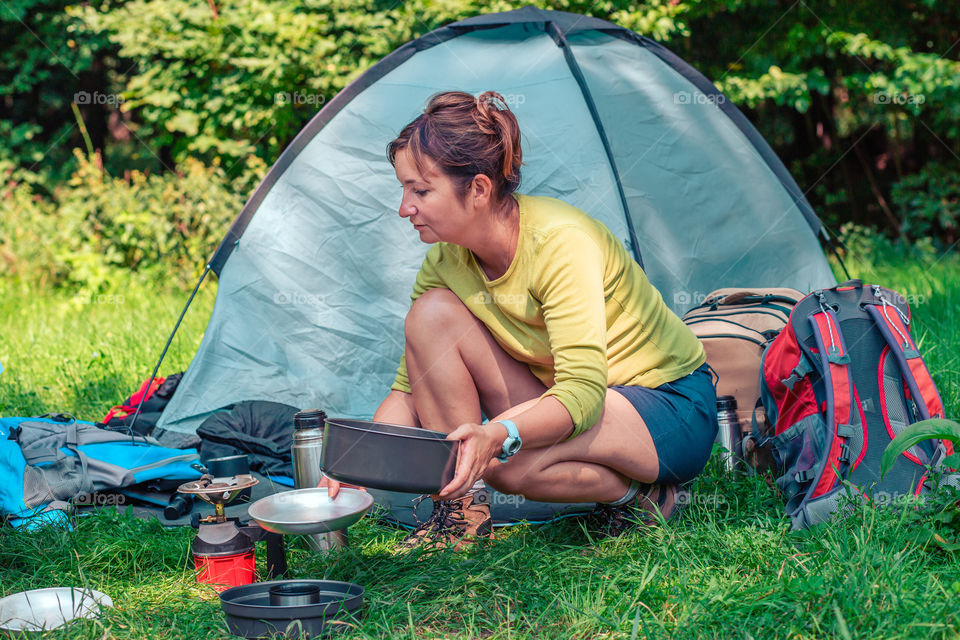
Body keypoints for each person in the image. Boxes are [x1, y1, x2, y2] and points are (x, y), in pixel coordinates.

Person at [323, 90, 718, 549]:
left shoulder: (560, 243)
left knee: (507, 464)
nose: (404, 207)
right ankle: (462, 516)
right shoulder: (446, 261)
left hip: (666, 404)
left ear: (478, 189)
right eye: (404, 188)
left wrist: (500, 432)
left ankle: (642, 498)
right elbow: (411, 387)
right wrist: (356, 468)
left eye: (421, 190)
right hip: (574, 397)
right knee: (430, 316)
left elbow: (583, 392)